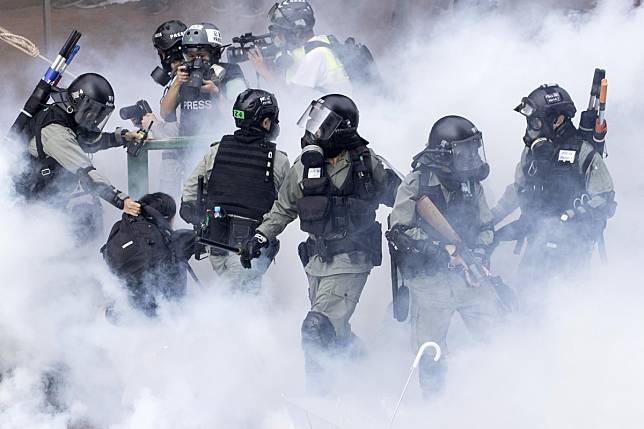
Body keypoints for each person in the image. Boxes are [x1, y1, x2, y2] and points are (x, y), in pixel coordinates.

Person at [241, 94, 400, 391]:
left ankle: (320, 402)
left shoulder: (366, 162)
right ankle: (369, 378)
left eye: (323, 126)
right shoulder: (305, 165)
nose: (313, 132)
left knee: (317, 329)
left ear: (342, 130)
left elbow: (402, 197)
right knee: (335, 334)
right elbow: (284, 207)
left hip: (352, 259)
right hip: (317, 262)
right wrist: (261, 236)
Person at [386, 115, 502, 397]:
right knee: (431, 354)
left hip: (469, 278)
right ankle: (434, 410)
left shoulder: (472, 185)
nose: (472, 157)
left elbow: (487, 228)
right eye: (465, 151)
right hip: (430, 282)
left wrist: (478, 251)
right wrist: (441, 250)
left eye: (473, 149)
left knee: (499, 339)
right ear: (444, 154)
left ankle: (498, 400)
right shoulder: (416, 184)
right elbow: (399, 231)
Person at [492, 84, 616, 293]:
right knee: (527, 298)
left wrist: (573, 220)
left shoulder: (582, 152)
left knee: (568, 304)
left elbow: (604, 200)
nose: (532, 128)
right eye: (530, 122)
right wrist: (489, 220)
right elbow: (517, 190)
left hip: (572, 251)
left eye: (537, 122)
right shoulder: (531, 152)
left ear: (558, 119)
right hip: (536, 243)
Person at [180, 89, 290, 293]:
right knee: (238, 305)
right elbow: (286, 207)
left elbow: (190, 193)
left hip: (215, 245)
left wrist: (198, 216)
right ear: (266, 122)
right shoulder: (279, 160)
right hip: (249, 251)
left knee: (235, 297)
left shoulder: (216, 150)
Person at [13, 72, 143, 239]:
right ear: (78, 103)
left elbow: (87, 142)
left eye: (100, 113)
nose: (96, 119)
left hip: (44, 199)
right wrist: (120, 200)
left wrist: (123, 137)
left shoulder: (66, 117)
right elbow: (85, 170)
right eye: (93, 112)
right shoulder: (55, 131)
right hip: (26, 207)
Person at [102, 192, 197, 317]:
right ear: (168, 218)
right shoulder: (175, 240)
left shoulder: (123, 230)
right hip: (160, 318)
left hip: (119, 315)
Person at [160, 22, 248, 138]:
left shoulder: (230, 73)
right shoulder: (184, 73)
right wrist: (177, 82)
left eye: (201, 55)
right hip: (186, 149)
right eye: (191, 56)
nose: (197, 60)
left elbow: (241, 115)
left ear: (215, 53)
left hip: (220, 145)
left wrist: (216, 93)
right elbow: (165, 114)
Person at [248, 0, 352, 95]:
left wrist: (262, 69)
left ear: (297, 32)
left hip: (337, 113)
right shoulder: (323, 41)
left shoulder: (316, 55)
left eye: (281, 33)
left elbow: (291, 97)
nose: (278, 37)